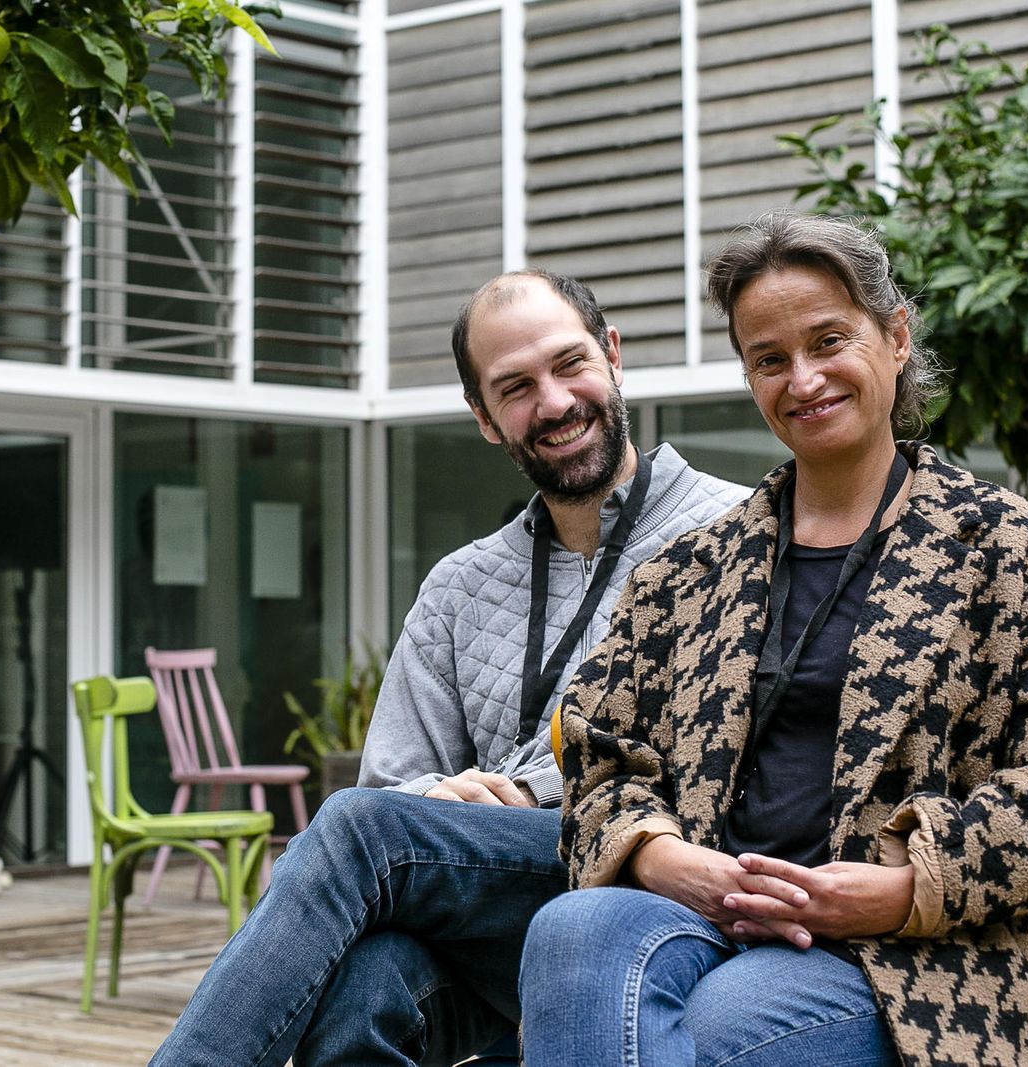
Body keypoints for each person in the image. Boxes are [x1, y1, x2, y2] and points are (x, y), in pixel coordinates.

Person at [520, 213, 1028, 1067]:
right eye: (770, 359)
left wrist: (897, 891)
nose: (802, 379)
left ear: (897, 336)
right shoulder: (691, 567)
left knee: (719, 1028)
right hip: (711, 909)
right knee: (573, 930)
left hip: (925, 952)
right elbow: (596, 748)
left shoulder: (997, 543)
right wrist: (659, 856)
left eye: (828, 340)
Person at [147, 269, 748, 1067]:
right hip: (496, 907)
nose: (556, 401)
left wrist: (522, 789)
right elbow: (391, 781)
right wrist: (440, 796)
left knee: (359, 833)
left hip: (654, 881)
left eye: (570, 364)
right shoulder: (458, 586)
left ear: (612, 355)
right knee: (364, 983)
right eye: (516, 387)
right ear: (485, 419)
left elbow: (706, 749)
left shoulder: (737, 533)